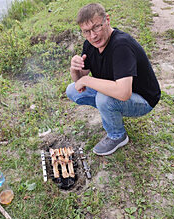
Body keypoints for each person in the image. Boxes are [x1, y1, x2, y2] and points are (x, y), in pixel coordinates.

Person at [66, 3, 161, 156]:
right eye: (86, 32)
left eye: (96, 27)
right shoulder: (90, 44)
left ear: (107, 20)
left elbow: (124, 93)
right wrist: (74, 69)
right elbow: (79, 83)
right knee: (72, 90)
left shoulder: (121, 45)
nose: (93, 36)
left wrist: (88, 81)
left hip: (143, 99)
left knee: (105, 99)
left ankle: (118, 136)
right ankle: (112, 112)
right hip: (118, 93)